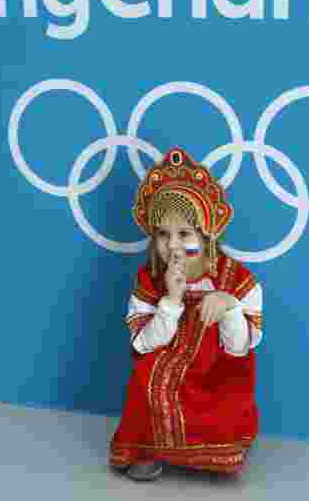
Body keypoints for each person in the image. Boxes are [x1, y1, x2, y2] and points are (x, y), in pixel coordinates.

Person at [109, 147, 263, 481]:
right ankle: (148, 451)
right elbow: (143, 345)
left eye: (185, 235)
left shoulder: (235, 279)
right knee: (147, 380)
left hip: (215, 371)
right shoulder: (149, 279)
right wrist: (171, 302)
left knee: (224, 400)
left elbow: (239, 350)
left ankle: (216, 454)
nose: (174, 246)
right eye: (163, 235)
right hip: (165, 366)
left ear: (206, 235)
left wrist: (229, 307)